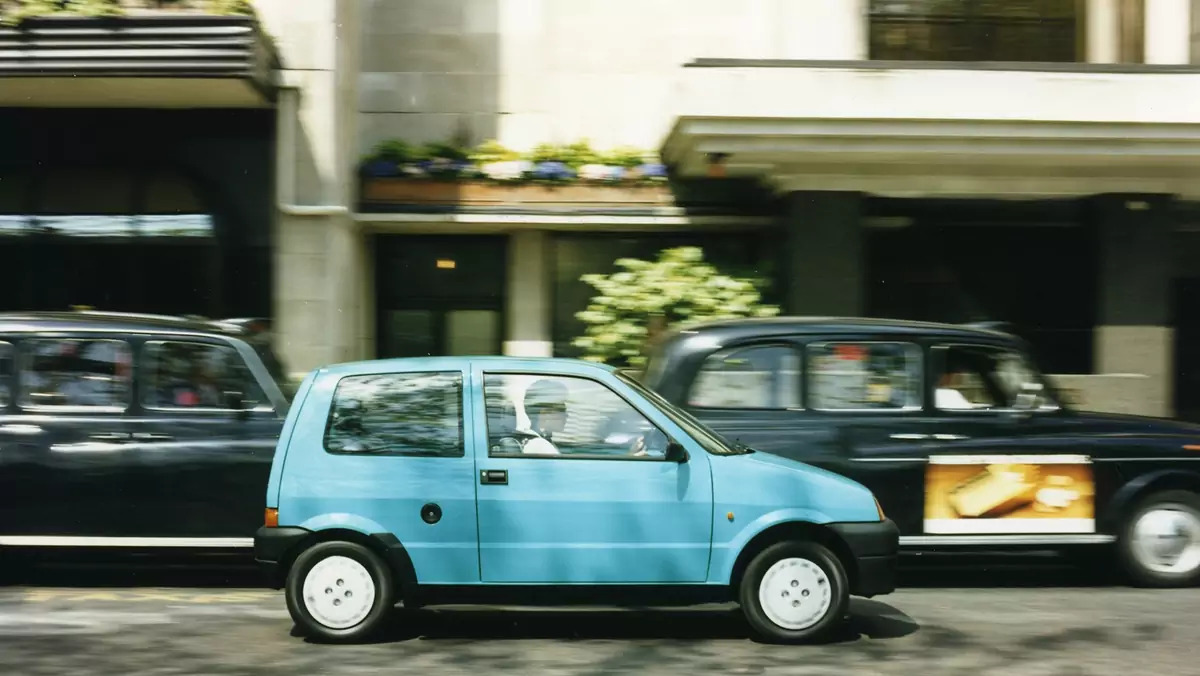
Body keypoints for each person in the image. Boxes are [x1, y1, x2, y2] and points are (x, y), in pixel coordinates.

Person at [518, 378, 570, 455]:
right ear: (545, 413)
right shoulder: (540, 446)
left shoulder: (537, 441)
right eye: (562, 409)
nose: (566, 415)